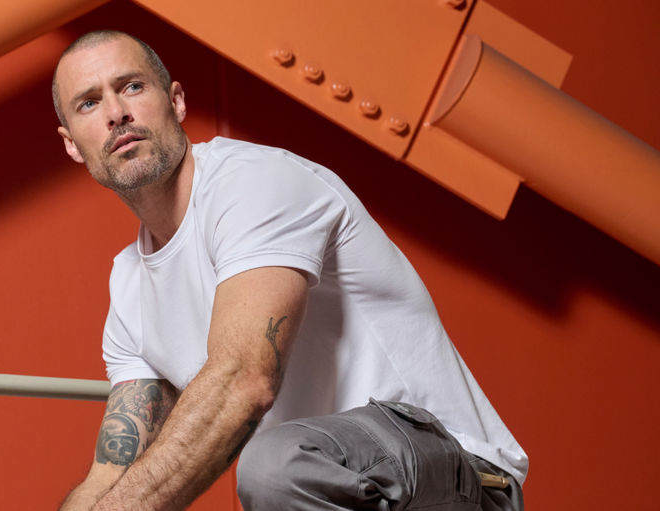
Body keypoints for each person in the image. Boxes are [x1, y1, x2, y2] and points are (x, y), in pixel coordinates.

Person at [50, 30, 527, 511]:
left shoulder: (251, 184)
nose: (117, 113)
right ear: (72, 145)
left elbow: (244, 381)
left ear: (175, 101)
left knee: (277, 467)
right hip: (327, 490)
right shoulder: (129, 287)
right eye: (89, 103)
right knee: (272, 469)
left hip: (454, 476)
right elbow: (110, 475)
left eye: (132, 87)